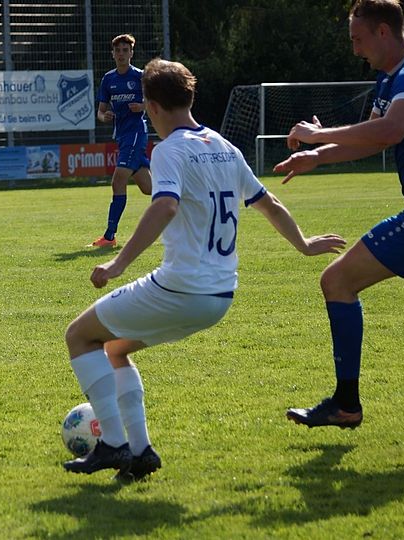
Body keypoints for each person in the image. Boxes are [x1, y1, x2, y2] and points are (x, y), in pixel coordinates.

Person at [63, 59, 346, 481]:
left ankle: (114, 444)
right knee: (116, 349)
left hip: (181, 289)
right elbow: (268, 203)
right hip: (219, 297)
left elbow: (165, 205)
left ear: (152, 107)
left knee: (79, 336)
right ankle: (140, 453)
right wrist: (303, 244)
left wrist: (118, 263)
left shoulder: (169, 150)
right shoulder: (225, 147)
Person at [274, 0, 404, 429]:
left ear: (384, 32)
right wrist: (317, 155)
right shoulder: (390, 80)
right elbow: (374, 140)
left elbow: (391, 130)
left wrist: (318, 134)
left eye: (358, 39)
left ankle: (346, 405)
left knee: (336, 281)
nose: (355, 49)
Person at [89, 34, 153, 247]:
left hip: (136, 134)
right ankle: (184, 192)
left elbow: (155, 102)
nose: (121, 54)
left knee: (118, 181)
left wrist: (142, 107)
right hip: (122, 136)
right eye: (118, 50)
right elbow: (100, 111)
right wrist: (104, 116)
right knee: (149, 188)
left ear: (131, 53)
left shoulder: (140, 77)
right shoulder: (108, 79)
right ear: (113, 54)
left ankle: (109, 236)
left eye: (125, 50)